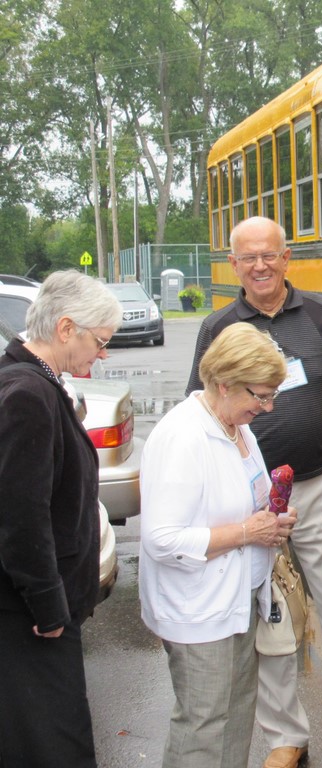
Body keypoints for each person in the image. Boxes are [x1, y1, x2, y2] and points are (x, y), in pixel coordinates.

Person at [186, 215, 322, 768]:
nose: (259, 265)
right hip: (253, 499)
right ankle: (286, 738)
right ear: (233, 264)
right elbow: (200, 408)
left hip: (321, 488)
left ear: (287, 257)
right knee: (272, 620)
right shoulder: (219, 327)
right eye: (247, 257)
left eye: (269, 255)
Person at [141, 322, 296, 768]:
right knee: (204, 725)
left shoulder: (235, 426)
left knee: (236, 715)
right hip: (199, 610)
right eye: (260, 396)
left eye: (272, 396)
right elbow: (161, 539)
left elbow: (250, 495)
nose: (266, 408)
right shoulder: (183, 438)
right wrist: (249, 533)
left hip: (235, 601)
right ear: (224, 383)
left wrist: (275, 515)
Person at [0, 269, 122, 767]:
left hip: (40, 611)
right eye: (101, 340)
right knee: (52, 744)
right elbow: (20, 517)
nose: (103, 353)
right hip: (30, 618)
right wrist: (50, 608)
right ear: (66, 329)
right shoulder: (26, 394)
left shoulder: (40, 383)